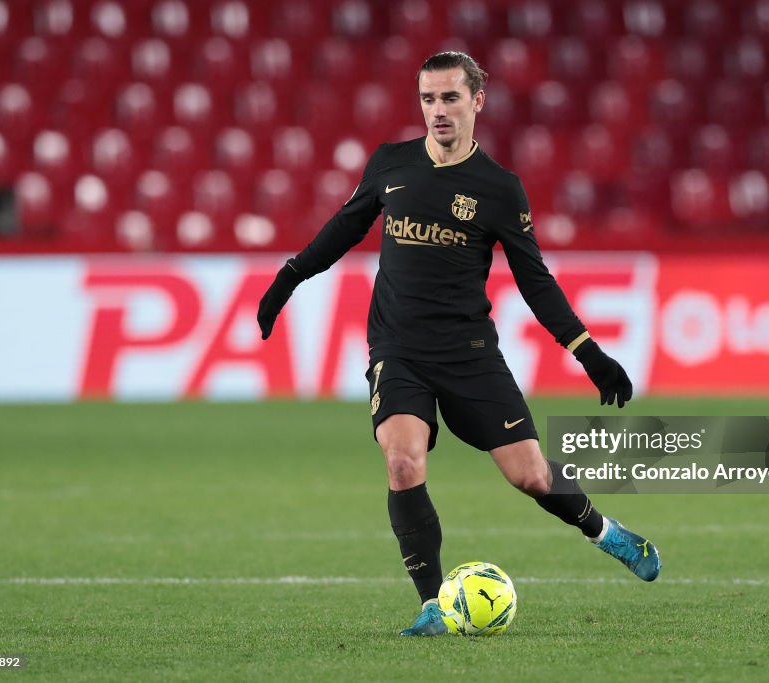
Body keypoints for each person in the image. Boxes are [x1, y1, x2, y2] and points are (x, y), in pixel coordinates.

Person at [258, 51, 661, 637]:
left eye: (450, 98)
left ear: (478, 100)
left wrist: (587, 350)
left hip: (469, 352)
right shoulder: (390, 164)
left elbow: (534, 280)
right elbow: (343, 229)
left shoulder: (498, 189)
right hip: (398, 348)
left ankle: (606, 532)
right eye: (428, 99)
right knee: (401, 461)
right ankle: (431, 604)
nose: (438, 111)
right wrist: (288, 278)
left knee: (528, 475)